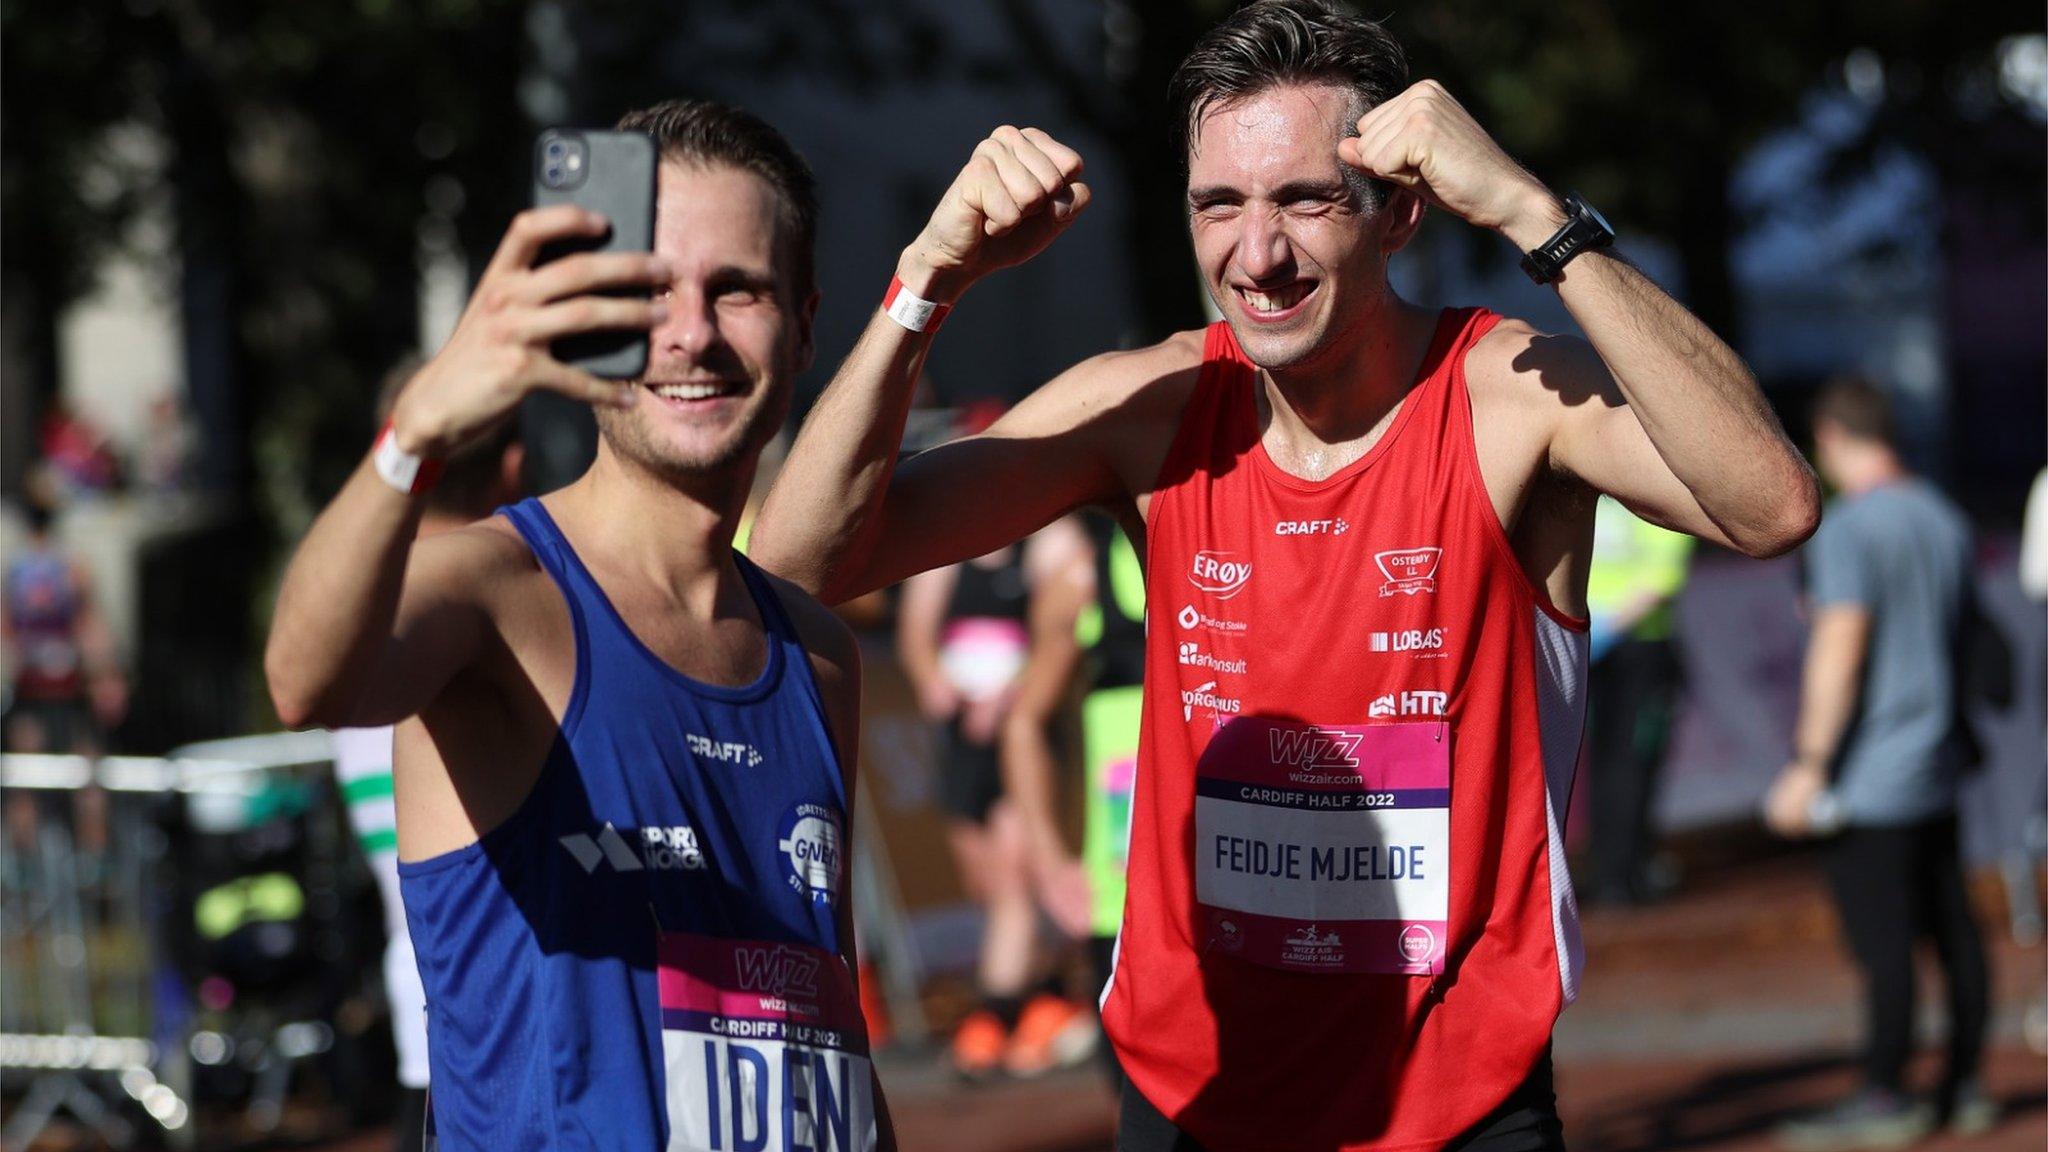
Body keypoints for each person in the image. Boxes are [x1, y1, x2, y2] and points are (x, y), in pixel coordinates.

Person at [750, 1, 1819, 1145]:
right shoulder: (1154, 407)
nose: (1255, 256)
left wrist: (1533, 215)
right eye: (1220, 205)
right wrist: (925, 281)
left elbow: (1771, 508)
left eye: (1303, 199)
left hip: (1453, 1102)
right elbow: (793, 562)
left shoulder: (1509, 397)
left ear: (1399, 208)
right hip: (1192, 1091)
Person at [265, 99, 894, 1151]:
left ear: (803, 322)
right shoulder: (494, 592)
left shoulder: (816, 651)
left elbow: (827, 1031)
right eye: (647, 292)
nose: (690, 333)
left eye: (735, 288)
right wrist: (415, 432)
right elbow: (308, 682)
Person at [1765, 376, 1995, 1149]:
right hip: (1939, 758)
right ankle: (1962, 1084)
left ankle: (1886, 1093)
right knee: (1955, 929)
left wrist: (1809, 763)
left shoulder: (1851, 531)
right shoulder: (1942, 516)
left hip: (1873, 772)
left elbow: (1841, 644)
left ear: (1829, 437)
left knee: (1885, 941)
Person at [328, 358, 524, 1152]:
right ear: (513, 467)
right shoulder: (515, 614)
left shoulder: (351, 618)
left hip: (429, 1043)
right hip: (520, 1050)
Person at [895, 511, 1096, 1079]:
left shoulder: (1048, 543)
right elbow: (915, 632)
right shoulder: (946, 553)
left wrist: (1009, 698)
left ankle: (997, 1015)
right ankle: (1047, 998)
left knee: (1015, 878)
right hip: (964, 740)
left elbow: (1059, 630)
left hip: (1019, 734)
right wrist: (932, 680)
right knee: (984, 884)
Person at [999, 512, 1145, 1094]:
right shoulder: (1086, 576)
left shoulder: (1254, 546)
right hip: (1123, 890)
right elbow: (1025, 723)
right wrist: (1050, 858)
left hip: (1238, 876)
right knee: (1142, 1104)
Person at [1583, 497, 1693, 907]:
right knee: (1626, 762)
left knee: (1616, 762)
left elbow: (1662, 581)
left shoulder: (1593, 495)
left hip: (1611, 643)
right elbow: (1662, 579)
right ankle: (1620, 875)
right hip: (1623, 648)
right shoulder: (1654, 497)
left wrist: (1598, 627)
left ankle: (1618, 871)